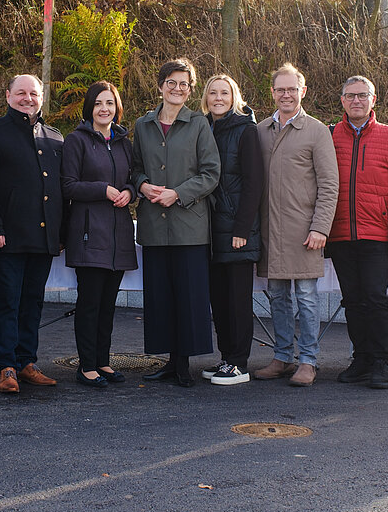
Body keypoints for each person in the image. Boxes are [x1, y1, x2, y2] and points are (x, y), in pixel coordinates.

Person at [130, 57, 221, 387]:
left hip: (189, 226)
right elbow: (134, 167)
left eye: (184, 84)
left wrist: (178, 194)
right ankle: (168, 362)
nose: (177, 88)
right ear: (161, 86)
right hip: (154, 226)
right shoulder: (143, 125)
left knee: (188, 295)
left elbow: (211, 173)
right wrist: (142, 185)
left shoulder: (199, 124)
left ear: (190, 90)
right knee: (160, 297)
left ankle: (183, 364)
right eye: (172, 82)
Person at [0, 74, 64, 394]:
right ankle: (6, 366)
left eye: (34, 93)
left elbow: (59, 189)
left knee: (33, 302)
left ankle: (27, 362)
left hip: (43, 236)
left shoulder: (55, 137)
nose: (28, 98)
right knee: (8, 303)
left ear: (42, 97)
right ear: (8, 95)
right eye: (21, 93)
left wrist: (60, 233)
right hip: (8, 236)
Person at [253, 62, 338, 387]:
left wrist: (320, 227)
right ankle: (282, 356)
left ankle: (308, 361)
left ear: (302, 91)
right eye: (281, 89)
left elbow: (329, 184)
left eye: (292, 89)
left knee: (306, 297)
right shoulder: (261, 131)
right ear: (272, 93)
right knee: (277, 296)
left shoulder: (316, 131)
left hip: (305, 232)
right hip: (270, 231)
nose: (286, 94)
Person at [327, 75, 388, 389]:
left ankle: (379, 362)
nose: (356, 101)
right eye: (350, 96)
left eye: (362, 95)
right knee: (352, 300)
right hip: (340, 233)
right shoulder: (329, 135)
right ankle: (361, 359)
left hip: (376, 233)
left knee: (375, 299)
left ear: (373, 99)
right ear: (342, 100)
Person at [61, 81, 138, 387]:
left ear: (117, 108)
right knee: (90, 304)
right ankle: (87, 366)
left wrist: (129, 192)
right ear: (89, 108)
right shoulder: (76, 140)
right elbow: (68, 185)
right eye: (98, 103)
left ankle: (103, 362)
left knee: (108, 305)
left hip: (118, 235)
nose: (104, 109)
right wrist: (102, 190)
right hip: (89, 234)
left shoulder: (124, 142)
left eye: (109, 103)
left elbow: (133, 179)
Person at [200, 74, 264, 387]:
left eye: (224, 93)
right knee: (220, 300)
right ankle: (226, 358)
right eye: (213, 93)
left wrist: (242, 228)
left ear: (234, 97)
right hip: (209, 229)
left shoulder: (246, 130)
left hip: (237, 230)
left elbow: (254, 183)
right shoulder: (203, 127)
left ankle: (239, 363)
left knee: (238, 301)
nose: (218, 98)